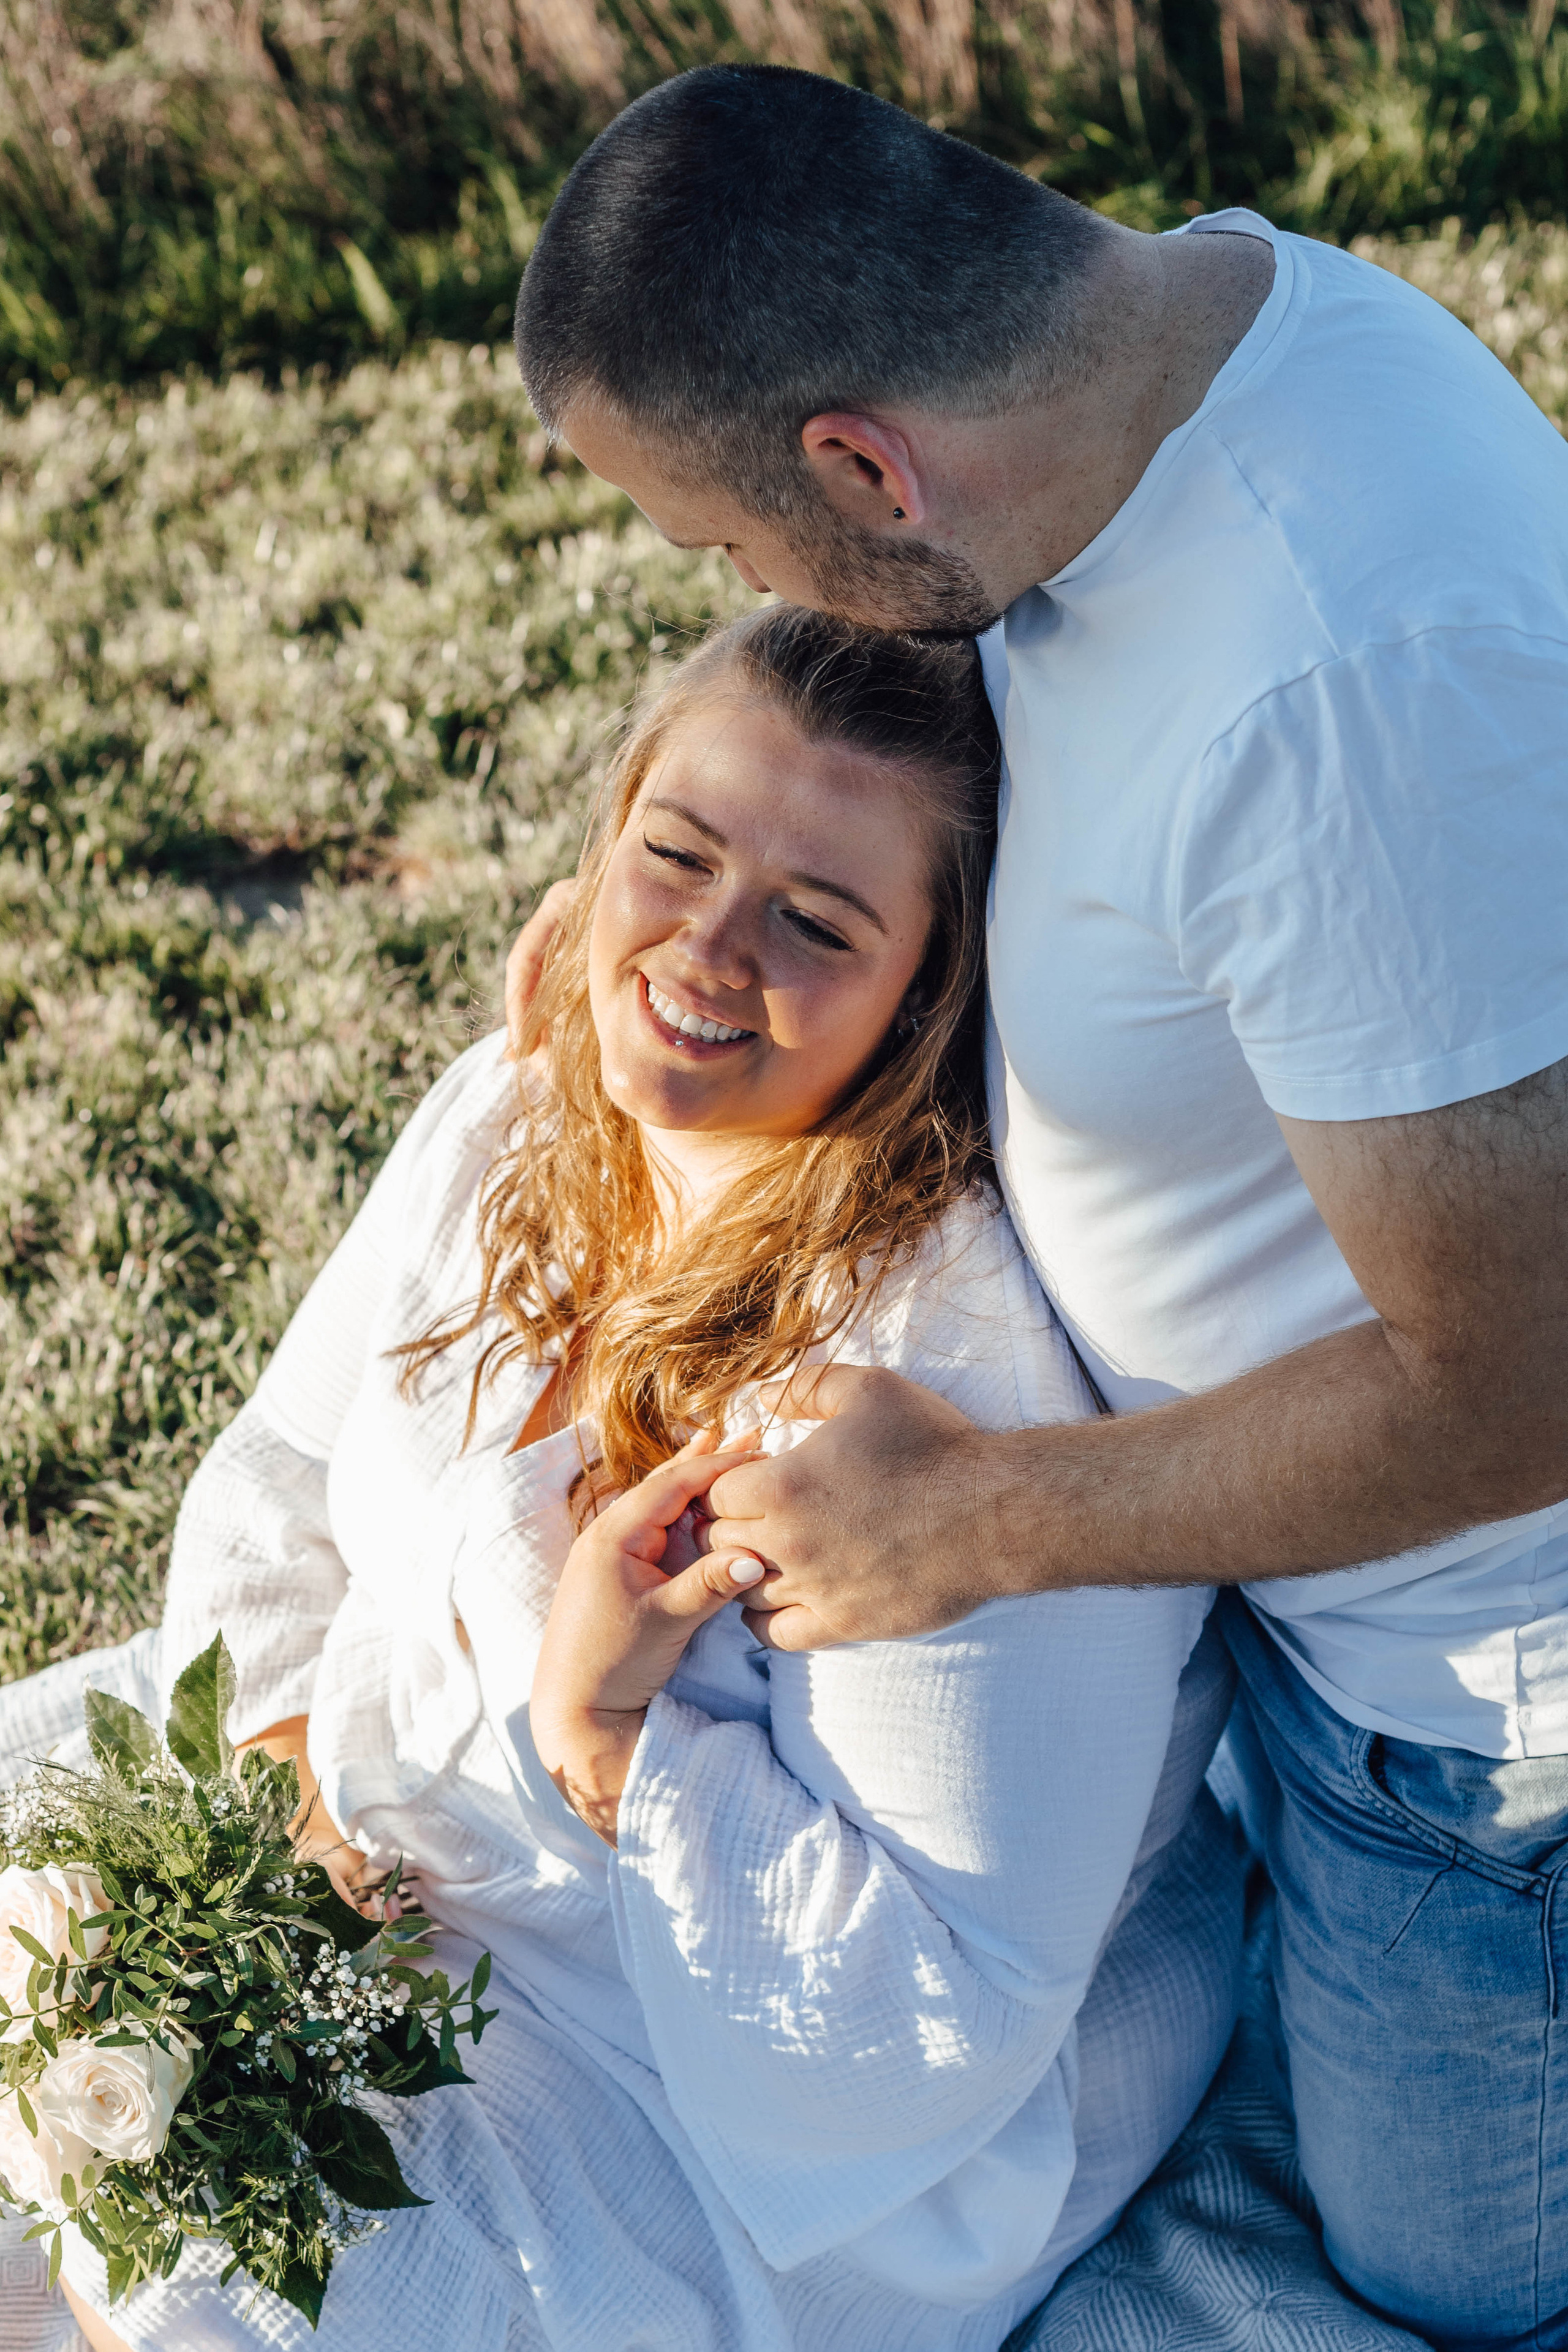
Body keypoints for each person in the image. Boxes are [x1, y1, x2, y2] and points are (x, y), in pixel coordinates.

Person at [508, 64, 1568, 2350]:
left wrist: (974, 1527)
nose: (749, 591)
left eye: (729, 543)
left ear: (868, 467)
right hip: (1292, 1632)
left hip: (1477, 1721)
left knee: (1451, 2277)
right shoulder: (1213, 324)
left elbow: (1532, 1390)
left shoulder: (1341, 685)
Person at [2, 609, 1240, 2352]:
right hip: (369, 1859)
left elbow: (942, 2012)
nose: (710, 950)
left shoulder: (939, 1393)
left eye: (816, 922)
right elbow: (285, 1471)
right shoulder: (521, 1114)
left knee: (213, 2308)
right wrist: (274, 1775)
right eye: (677, 855)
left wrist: (614, 1753)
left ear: (927, 992)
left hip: (698, 2110)